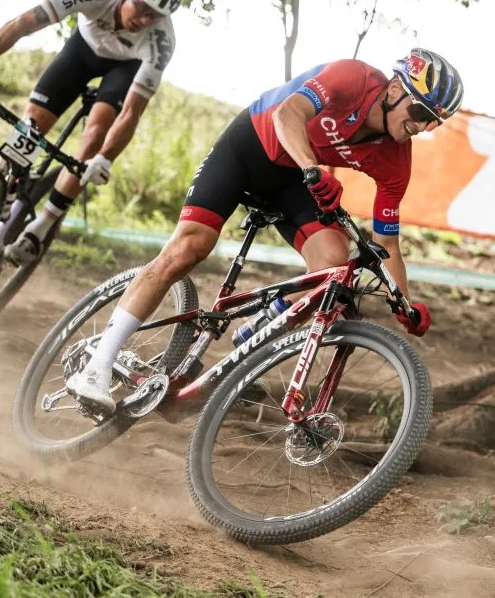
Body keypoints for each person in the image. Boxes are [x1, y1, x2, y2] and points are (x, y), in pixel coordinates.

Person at [64, 47, 464, 412]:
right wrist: (312, 168)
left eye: (434, 121)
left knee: (332, 264)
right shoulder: (353, 78)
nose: (423, 126)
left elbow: (386, 240)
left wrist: (403, 303)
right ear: (394, 88)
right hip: (250, 148)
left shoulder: (396, 161)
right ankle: (97, 365)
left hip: (293, 178)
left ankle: (253, 338)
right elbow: (287, 114)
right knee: (189, 248)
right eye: (420, 112)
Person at [0, 0, 185, 265]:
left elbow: (131, 112)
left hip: (124, 69)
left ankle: (41, 227)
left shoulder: (161, 42)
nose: (145, 20)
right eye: (143, 8)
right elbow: (25, 23)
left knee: (95, 134)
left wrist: (105, 158)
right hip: (82, 51)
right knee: (31, 126)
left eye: (155, 16)